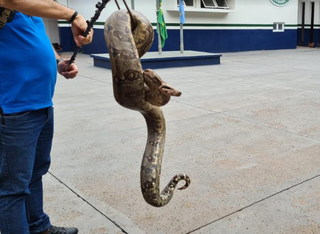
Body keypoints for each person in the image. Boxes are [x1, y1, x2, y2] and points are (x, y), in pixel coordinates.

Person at [0, 0, 94, 233]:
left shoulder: (31, 10)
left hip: (40, 103)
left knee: (34, 173)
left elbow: (36, 34)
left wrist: (57, 62)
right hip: (13, 106)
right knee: (12, 188)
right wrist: (73, 15)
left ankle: (38, 227)